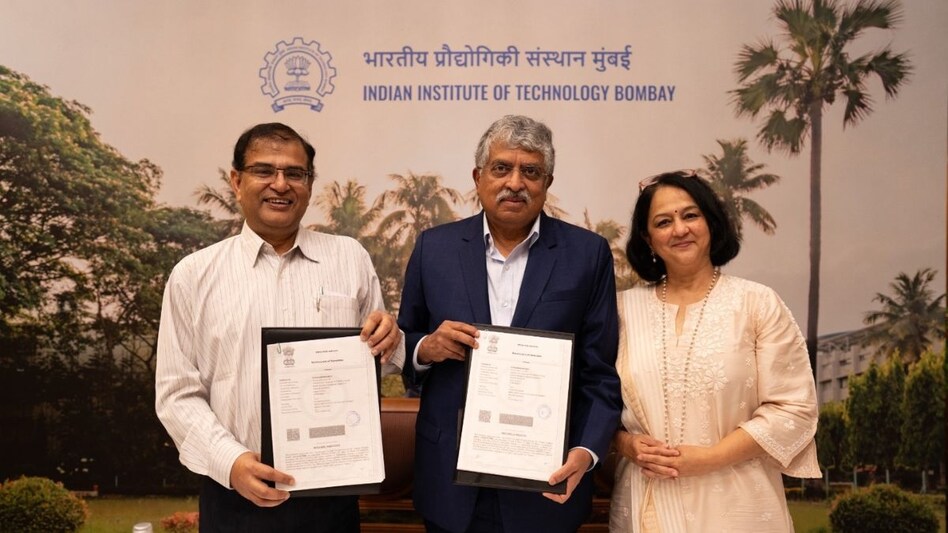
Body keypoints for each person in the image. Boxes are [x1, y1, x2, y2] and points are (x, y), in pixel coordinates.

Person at [155, 122, 405, 532]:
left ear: (309, 183)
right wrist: (230, 462)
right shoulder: (194, 275)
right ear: (236, 181)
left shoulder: (349, 258)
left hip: (331, 496)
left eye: (295, 173)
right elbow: (176, 393)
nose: (280, 184)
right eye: (263, 171)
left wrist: (389, 338)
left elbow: (385, 359)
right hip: (234, 495)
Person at [398, 114, 622, 533]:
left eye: (531, 171)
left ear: (547, 183)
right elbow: (405, 341)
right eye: (502, 168)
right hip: (449, 482)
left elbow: (600, 373)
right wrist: (425, 349)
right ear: (478, 176)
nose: (515, 182)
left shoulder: (587, 254)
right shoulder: (434, 248)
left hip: (546, 485)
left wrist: (586, 451)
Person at [609, 170, 820, 532]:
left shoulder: (756, 303)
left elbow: (794, 408)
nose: (679, 229)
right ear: (647, 238)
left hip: (740, 508)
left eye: (690, 215)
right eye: (663, 221)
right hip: (646, 504)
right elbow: (591, 401)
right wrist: (625, 443)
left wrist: (708, 458)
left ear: (711, 221)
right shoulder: (620, 310)